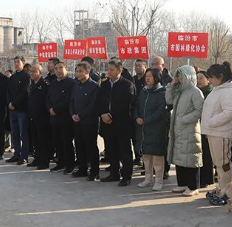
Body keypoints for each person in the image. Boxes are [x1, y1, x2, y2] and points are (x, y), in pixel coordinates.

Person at [202, 62, 232, 206]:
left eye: (211, 77)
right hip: (214, 132)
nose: (209, 80)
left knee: (223, 164)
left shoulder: (228, 92)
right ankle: (221, 187)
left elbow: (230, 111)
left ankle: (226, 191)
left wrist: (212, 122)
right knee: (219, 164)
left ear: (220, 77)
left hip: (221, 133)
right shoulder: (218, 89)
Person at [97, 58, 136, 186]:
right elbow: (99, 101)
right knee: (111, 149)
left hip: (122, 123)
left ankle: (126, 176)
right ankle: (114, 173)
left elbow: (128, 104)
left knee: (125, 150)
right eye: (108, 69)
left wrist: (111, 115)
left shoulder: (127, 84)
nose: (108, 72)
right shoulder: (104, 85)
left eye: (111, 69)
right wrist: (102, 114)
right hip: (107, 123)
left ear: (119, 70)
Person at [166, 65, 204, 196]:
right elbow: (168, 100)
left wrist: (184, 119)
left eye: (181, 75)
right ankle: (182, 184)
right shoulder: (179, 90)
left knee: (191, 158)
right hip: (178, 129)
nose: (179, 78)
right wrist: (171, 85)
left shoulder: (195, 92)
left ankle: (193, 186)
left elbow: (199, 110)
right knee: (179, 157)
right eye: (178, 75)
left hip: (190, 130)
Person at [133, 68, 169, 191]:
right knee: (146, 155)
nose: (147, 78)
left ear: (156, 78)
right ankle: (148, 179)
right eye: (146, 76)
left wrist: (146, 120)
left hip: (156, 129)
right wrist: (137, 117)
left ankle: (158, 181)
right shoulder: (144, 91)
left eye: (150, 76)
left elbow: (161, 111)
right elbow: (136, 106)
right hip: (143, 129)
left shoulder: (162, 92)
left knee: (157, 157)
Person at [70, 62, 100, 180]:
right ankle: (82, 169)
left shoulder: (94, 86)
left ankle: (94, 171)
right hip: (77, 121)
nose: (77, 73)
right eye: (77, 71)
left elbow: (93, 105)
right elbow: (71, 101)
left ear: (87, 71)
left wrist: (80, 115)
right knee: (79, 146)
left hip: (89, 122)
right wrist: (73, 114)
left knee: (91, 147)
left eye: (80, 71)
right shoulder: (76, 85)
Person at [46, 62, 77, 173]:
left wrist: (55, 109)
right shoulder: (53, 83)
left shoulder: (72, 83)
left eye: (60, 68)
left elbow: (68, 100)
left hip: (66, 118)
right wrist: (50, 108)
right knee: (57, 142)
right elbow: (48, 98)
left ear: (66, 69)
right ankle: (60, 163)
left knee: (66, 142)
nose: (58, 70)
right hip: (54, 118)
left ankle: (70, 165)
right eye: (56, 68)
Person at [7, 56, 31, 165]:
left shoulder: (26, 76)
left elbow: (25, 92)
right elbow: (8, 92)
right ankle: (17, 154)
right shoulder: (12, 77)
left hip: (22, 110)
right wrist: (9, 103)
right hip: (12, 110)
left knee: (23, 134)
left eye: (18, 62)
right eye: (15, 62)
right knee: (14, 133)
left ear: (23, 63)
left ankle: (24, 156)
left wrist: (14, 103)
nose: (16, 64)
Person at [27, 64, 51, 170]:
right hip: (33, 117)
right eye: (31, 71)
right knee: (35, 140)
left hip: (43, 117)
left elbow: (47, 100)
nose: (31, 73)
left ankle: (44, 161)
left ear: (40, 73)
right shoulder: (32, 84)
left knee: (43, 140)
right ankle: (37, 159)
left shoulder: (45, 84)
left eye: (34, 71)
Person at [196, 70, 215, 187]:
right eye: (197, 78)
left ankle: (206, 179)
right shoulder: (196, 92)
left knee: (207, 154)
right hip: (197, 126)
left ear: (208, 80)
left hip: (208, 126)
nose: (198, 80)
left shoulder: (211, 93)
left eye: (201, 78)